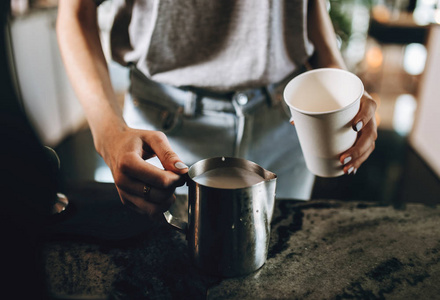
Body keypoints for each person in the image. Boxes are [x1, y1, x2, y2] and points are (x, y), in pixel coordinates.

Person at [56, 0, 378, 217]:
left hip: (287, 121)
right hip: (166, 131)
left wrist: (337, 79)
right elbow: (75, 10)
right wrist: (109, 133)